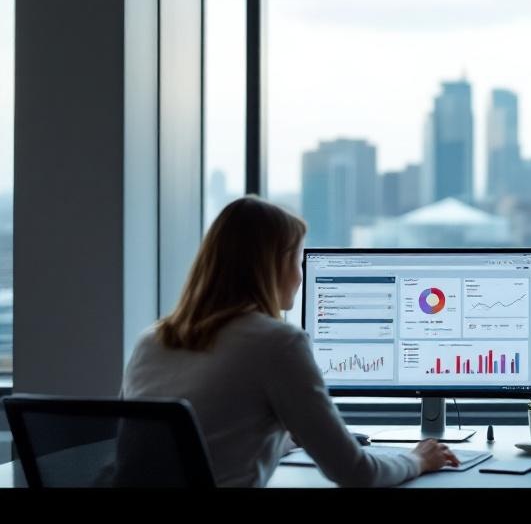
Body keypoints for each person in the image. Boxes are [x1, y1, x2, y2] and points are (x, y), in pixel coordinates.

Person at [122, 196, 458, 487]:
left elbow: (207, 440)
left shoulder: (150, 341)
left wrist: (287, 439)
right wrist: (418, 460)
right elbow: (357, 473)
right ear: (276, 267)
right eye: (298, 261)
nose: (300, 276)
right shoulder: (277, 343)